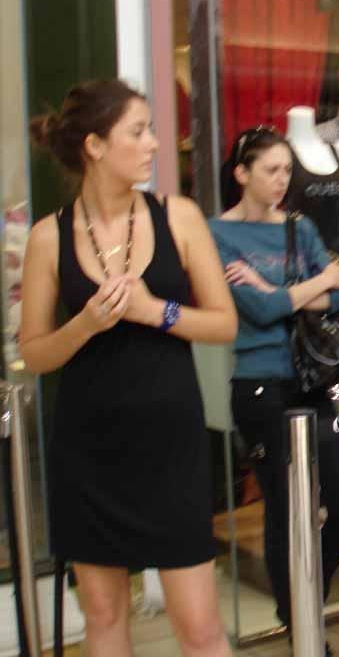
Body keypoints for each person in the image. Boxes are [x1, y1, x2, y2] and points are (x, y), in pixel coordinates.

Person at [19, 79, 237, 656]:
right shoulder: (48, 236)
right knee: (105, 617)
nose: (156, 144)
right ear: (94, 145)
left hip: (171, 446)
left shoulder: (179, 217)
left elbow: (223, 323)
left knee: (199, 625)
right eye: (138, 131)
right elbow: (35, 352)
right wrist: (85, 324)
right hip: (89, 450)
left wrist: (153, 310)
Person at [208, 127, 339, 648]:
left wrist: (278, 290)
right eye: (270, 170)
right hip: (257, 384)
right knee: (283, 507)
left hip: (311, 381)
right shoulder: (217, 234)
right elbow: (260, 308)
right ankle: (297, 621)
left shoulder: (299, 226)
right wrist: (310, 286)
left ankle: (305, 599)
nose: (281, 181)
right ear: (241, 173)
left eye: (287, 170)